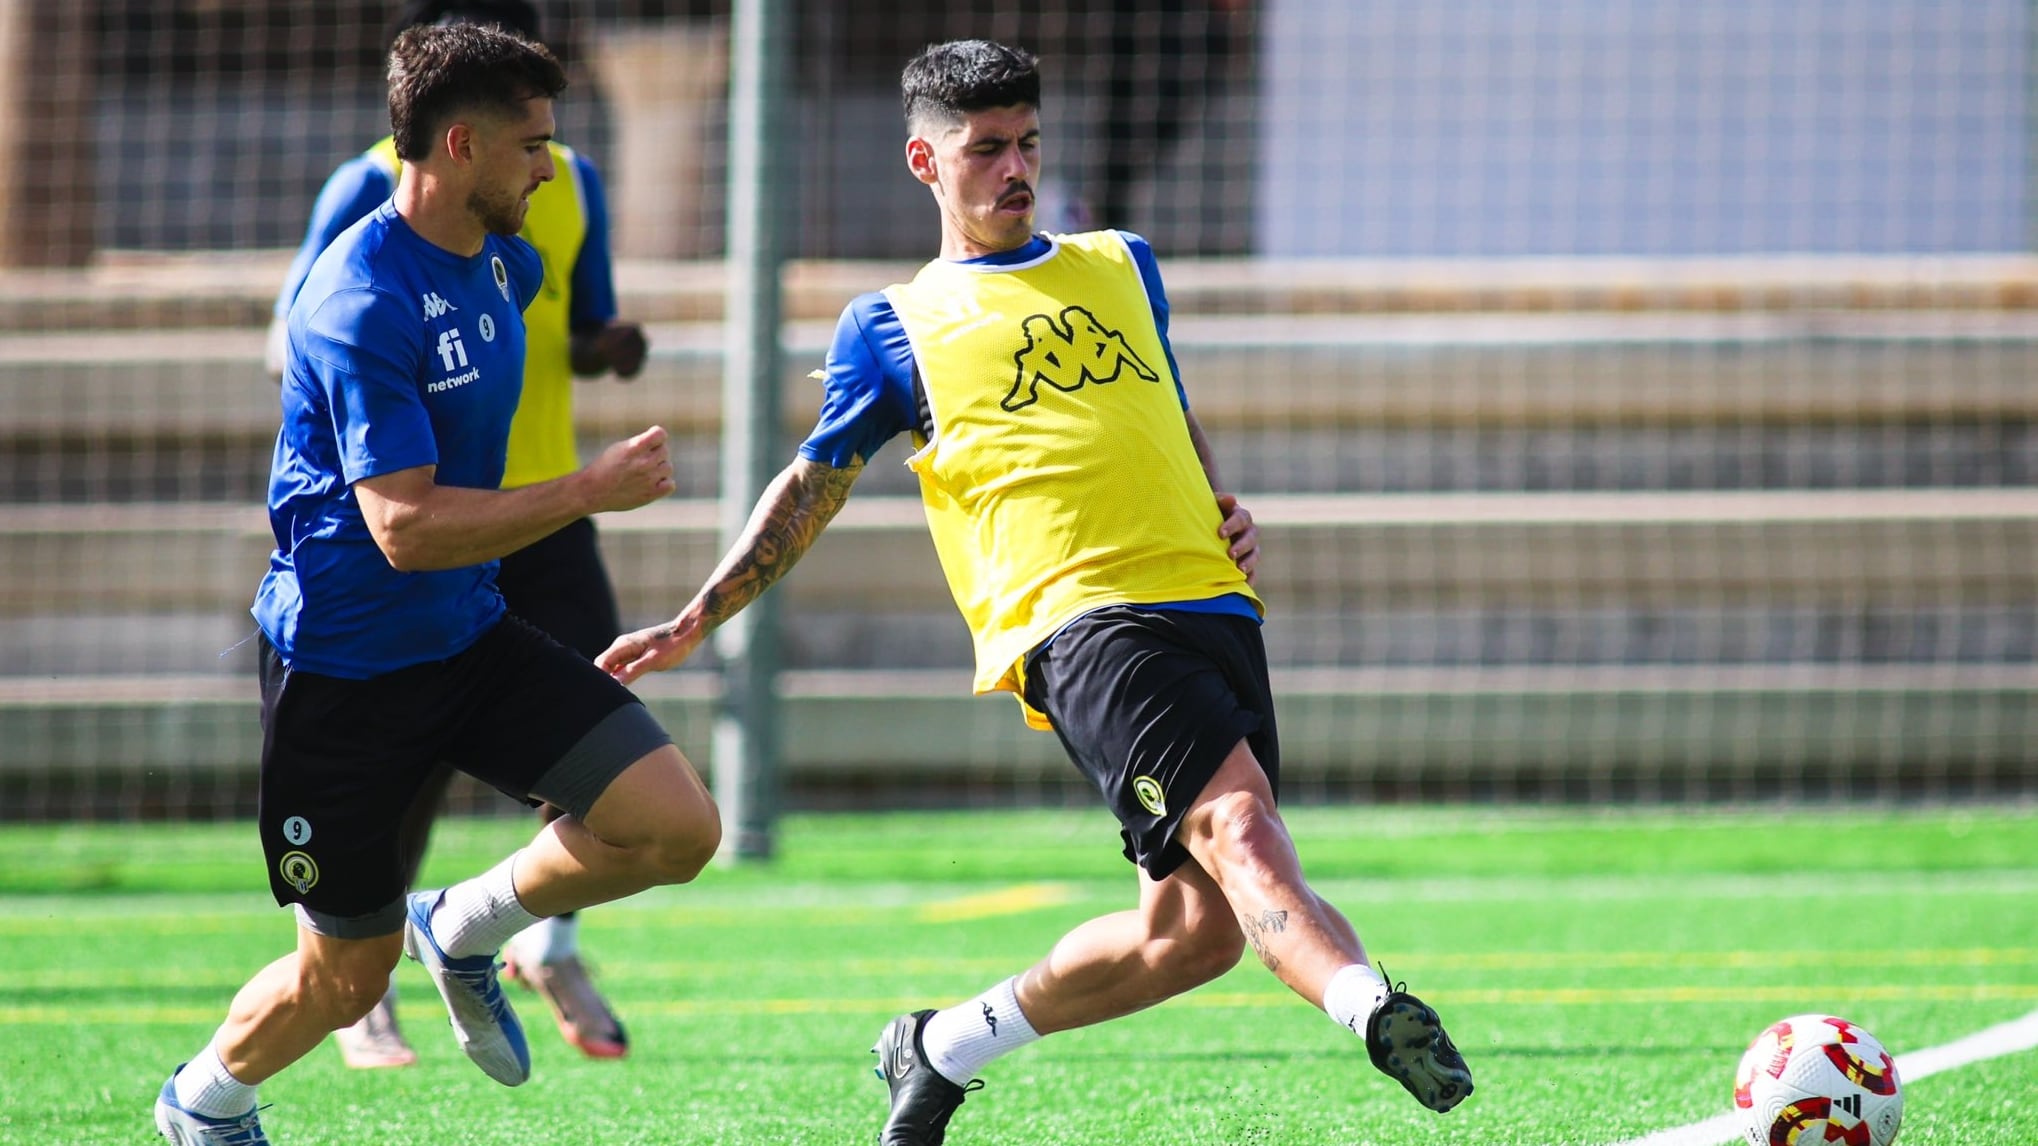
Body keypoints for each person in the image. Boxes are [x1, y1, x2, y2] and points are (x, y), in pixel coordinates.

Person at [597, 38, 1473, 1145]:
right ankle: (1373, 1010)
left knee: (1189, 937)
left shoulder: (1121, 262)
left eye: (1028, 143)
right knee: (1241, 826)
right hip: (1079, 623)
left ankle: (943, 1044)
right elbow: (811, 486)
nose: (1014, 168)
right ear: (926, 160)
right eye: (985, 150)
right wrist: (696, 616)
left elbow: (1163, 396)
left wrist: (1217, 493)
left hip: (1209, 604)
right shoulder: (893, 324)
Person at [155, 24, 719, 1144]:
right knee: (342, 983)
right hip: (345, 673)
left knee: (675, 829)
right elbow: (404, 529)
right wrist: (588, 489)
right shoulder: (357, 298)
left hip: (468, 634)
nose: (550, 170)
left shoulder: (509, 262)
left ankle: (462, 924)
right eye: (533, 147)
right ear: (460, 146)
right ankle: (205, 1102)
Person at [267, 0, 645, 1067]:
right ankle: (358, 985)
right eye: (529, 138)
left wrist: (612, 347)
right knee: (406, 790)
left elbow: (571, 319)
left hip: (531, 529)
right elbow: (320, 350)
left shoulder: (551, 200)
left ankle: (524, 934)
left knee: (629, 771)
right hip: (408, 557)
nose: (548, 163)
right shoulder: (365, 219)